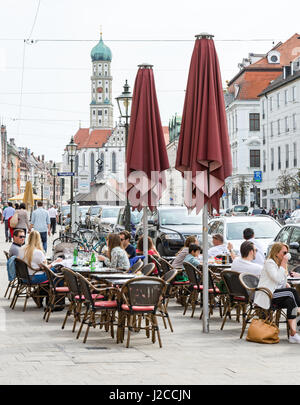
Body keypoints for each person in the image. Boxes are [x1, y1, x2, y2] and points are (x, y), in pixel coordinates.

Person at [254, 242, 300, 343]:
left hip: (276, 295)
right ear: (276, 253)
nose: (286, 255)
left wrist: (286, 284)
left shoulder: (280, 265)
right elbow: (277, 279)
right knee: (291, 292)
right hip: (267, 295)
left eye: (286, 253)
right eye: (284, 252)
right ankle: (299, 312)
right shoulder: (269, 263)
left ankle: (293, 334)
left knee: (290, 301)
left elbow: (281, 283)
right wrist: (284, 263)